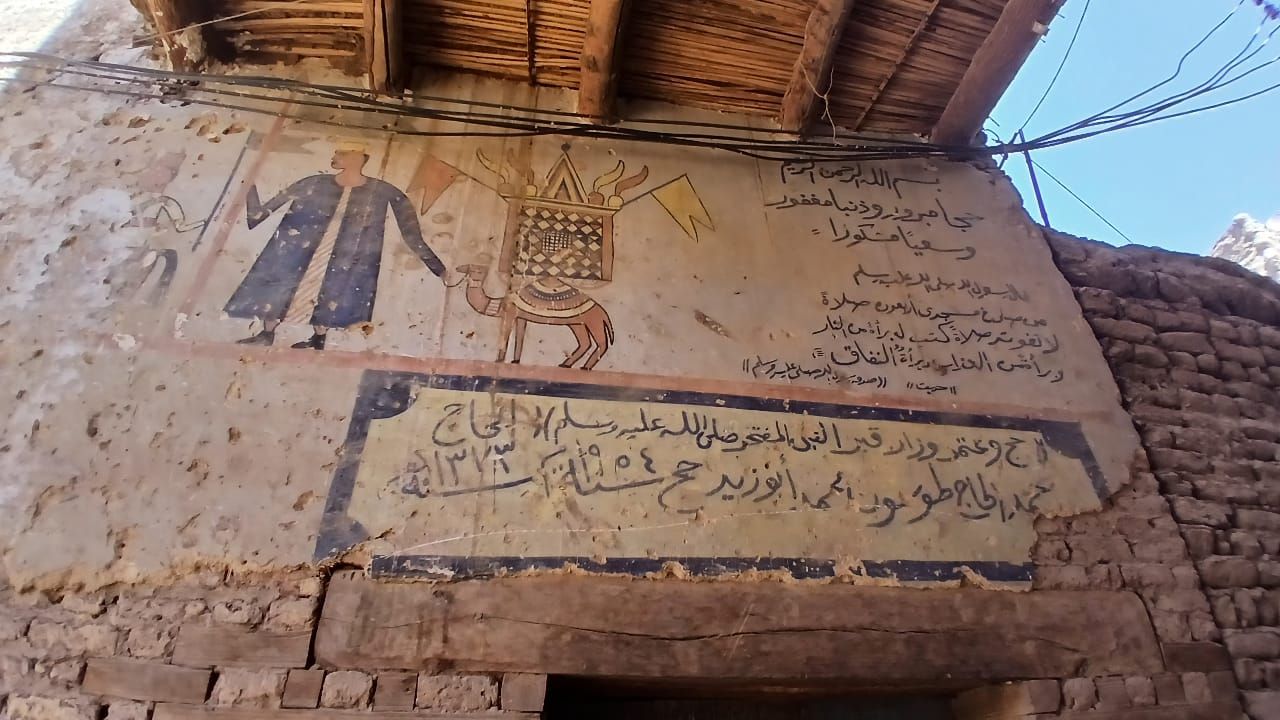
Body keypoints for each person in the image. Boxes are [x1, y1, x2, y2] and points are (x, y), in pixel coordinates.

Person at [225, 140, 445, 349]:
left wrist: (440, 270)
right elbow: (257, 216)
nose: (334, 156)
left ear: (357, 158)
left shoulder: (384, 191)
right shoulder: (314, 182)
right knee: (285, 287)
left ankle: (318, 339)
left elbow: (411, 235)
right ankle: (267, 334)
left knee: (333, 290)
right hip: (299, 253)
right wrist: (249, 185)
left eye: (341, 153)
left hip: (347, 257)